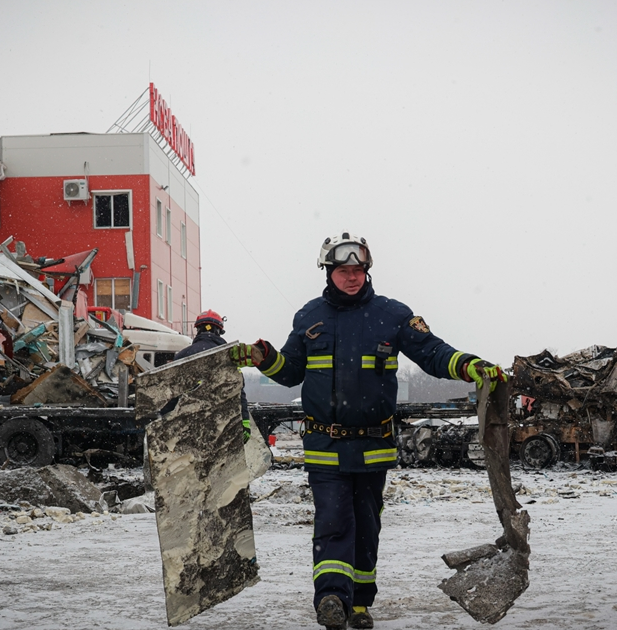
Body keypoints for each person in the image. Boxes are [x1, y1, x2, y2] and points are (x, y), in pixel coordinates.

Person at [230, 233, 505, 630]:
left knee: (366, 525)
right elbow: (290, 372)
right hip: (325, 444)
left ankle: (359, 603)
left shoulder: (393, 315)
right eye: (344, 270)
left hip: (374, 444)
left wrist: (470, 366)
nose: (352, 277)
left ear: (367, 270)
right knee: (332, 520)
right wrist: (266, 358)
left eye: (358, 270)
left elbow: (432, 352)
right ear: (329, 272)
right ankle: (330, 598)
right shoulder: (310, 318)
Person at [175, 310, 252, 441]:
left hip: (187, 424)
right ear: (219, 331)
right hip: (222, 424)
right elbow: (238, 391)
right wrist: (244, 422)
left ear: (198, 330)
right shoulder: (229, 356)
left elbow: (171, 392)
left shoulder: (182, 355)